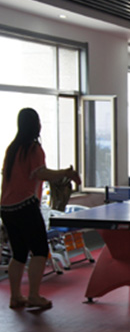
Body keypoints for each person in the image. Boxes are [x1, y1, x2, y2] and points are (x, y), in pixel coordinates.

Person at [1, 108, 81, 310]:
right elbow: (42, 173)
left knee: (18, 254)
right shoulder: (33, 149)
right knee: (40, 251)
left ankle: (16, 297)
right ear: (35, 125)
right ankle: (34, 296)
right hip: (25, 206)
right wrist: (66, 173)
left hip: (7, 209)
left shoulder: (12, 149)